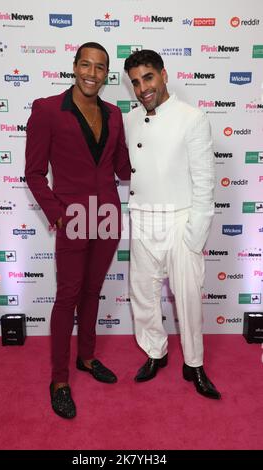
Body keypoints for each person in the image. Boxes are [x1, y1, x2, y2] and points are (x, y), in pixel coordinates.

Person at [25, 42, 131, 419]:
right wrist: (57, 214)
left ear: (107, 74)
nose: (92, 72)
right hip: (71, 218)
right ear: (74, 67)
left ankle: (86, 357)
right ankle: (58, 380)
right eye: (85, 64)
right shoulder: (47, 109)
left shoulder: (116, 114)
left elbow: (123, 168)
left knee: (93, 291)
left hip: (107, 216)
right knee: (67, 296)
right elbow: (34, 173)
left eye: (99, 67)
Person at [124, 50, 221, 399]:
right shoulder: (130, 119)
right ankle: (155, 352)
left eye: (148, 77)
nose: (142, 87)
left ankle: (194, 363)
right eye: (135, 82)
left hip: (181, 220)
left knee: (190, 298)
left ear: (164, 75)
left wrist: (195, 235)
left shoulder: (191, 117)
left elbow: (205, 180)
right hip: (144, 219)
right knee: (144, 297)